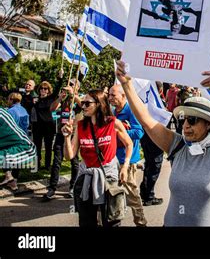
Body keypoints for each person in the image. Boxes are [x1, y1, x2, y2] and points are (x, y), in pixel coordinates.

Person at [116, 61, 210, 226]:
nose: (185, 125)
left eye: (192, 120)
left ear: (208, 124)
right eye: (183, 119)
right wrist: (126, 84)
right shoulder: (177, 145)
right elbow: (147, 120)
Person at [61, 89, 133, 227]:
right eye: (82, 103)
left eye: (87, 103)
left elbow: (129, 144)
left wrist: (125, 166)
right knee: (86, 220)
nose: (83, 106)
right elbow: (69, 155)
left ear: (99, 104)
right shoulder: (81, 125)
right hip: (87, 176)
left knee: (111, 219)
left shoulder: (113, 123)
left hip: (109, 175)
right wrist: (66, 137)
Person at [108, 84, 147, 226]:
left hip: (128, 160)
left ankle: (141, 222)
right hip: (113, 158)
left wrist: (120, 131)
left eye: (114, 95)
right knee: (113, 191)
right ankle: (114, 219)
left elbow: (139, 132)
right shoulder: (112, 111)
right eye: (109, 95)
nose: (110, 98)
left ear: (123, 96)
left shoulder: (131, 110)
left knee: (132, 194)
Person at [43, 80, 81, 200]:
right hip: (61, 132)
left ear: (77, 88)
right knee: (56, 161)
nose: (68, 86)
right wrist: (60, 98)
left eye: (72, 84)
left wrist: (73, 94)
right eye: (68, 84)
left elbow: (82, 105)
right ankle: (52, 188)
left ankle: (73, 186)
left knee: (74, 162)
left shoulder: (80, 98)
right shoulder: (64, 99)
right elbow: (52, 109)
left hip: (74, 134)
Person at [0, 108, 36, 190]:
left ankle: (12, 180)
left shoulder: (3, 113)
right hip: (10, 146)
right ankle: (11, 181)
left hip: (24, 148)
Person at [0, 93, 30, 190]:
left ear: (12, 99)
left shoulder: (10, 111)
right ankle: (14, 182)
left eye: (8, 99)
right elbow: (27, 124)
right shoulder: (24, 110)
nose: (7, 101)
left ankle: (9, 177)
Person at [31, 81, 56, 170]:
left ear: (48, 90)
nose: (43, 90)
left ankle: (47, 165)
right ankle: (37, 164)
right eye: (41, 88)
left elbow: (57, 89)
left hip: (48, 127)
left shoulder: (51, 99)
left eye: (45, 89)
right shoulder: (36, 100)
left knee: (48, 147)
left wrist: (60, 78)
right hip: (37, 127)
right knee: (37, 147)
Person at [139, 132, 164, 206]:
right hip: (154, 136)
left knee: (150, 165)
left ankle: (145, 194)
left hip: (147, 136)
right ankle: (149, 196)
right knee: (154, 166)